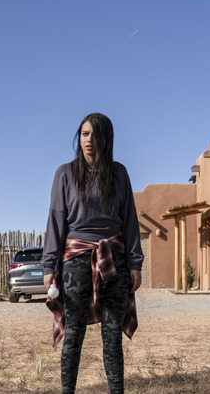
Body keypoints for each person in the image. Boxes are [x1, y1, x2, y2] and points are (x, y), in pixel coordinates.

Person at [42, 112, 144, 394]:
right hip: (75, 263)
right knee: (74, 333)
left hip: (115, 262)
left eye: (95, 134)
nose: (89, 140)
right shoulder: (64, 173)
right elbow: (55, 220)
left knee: (112, 336)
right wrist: (49, 266)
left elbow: (130, 220)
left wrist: (135, 264)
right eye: (84, 134)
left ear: (106, 139)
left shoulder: (119, 173)